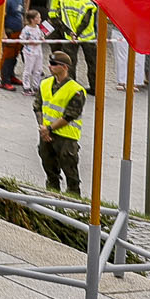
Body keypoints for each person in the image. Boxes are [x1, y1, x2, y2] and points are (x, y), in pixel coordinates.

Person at [35, 50, 86, 194]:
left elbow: (70, 115)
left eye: (54, 64)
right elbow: (37, 106)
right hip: (47, 135)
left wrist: (48, 129)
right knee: (50, 173)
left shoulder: (76, 90)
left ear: (64, 67)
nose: (50, 66)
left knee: (71, 176)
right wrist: (43, 128)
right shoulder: (45, 83)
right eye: (50, 63)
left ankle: (74, 206)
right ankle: (52, 201)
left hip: (66, 137)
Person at [51, 0, 99, 84]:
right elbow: (85, 21)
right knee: (92, 62)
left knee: (70, 62)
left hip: (69, 36)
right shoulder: (87, 2)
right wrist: (77, 33)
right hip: (87, 37)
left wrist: (70, 32)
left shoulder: (66, 0)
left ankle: (70, 84)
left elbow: (63, 18)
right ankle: (94, 87)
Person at [0, 0, 27, 91]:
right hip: (9, 32)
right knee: (7, 57)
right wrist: (3, 33)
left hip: (18, 32)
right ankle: (4, 81)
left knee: (14, 56)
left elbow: (21, 15)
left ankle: (12, 76)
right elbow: (1, 17)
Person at [17, 7, 48, 94]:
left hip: (38, 51)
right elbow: (22, 40)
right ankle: (26, 87)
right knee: (28, 70)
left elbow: (41, 36)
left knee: (38, 69)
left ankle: (36, 86)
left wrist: (42, 38)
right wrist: (30, 43)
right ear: (32, 19)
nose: (40, 19)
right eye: (38, 18)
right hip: (29, 52)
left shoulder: (38, 28)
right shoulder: (26, 29)